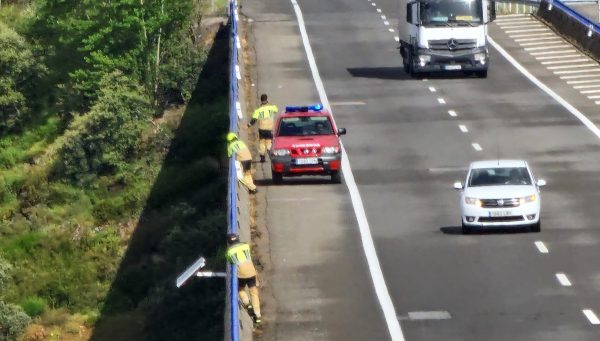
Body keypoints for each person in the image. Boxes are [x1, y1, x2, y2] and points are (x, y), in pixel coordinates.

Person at [226, 233, 262, 326]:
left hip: (241, 274)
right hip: (251, 271)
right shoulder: (246, 246)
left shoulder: (229, 252)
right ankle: (257, 316)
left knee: (240, 289)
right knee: (254, 293)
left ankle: (247, 303)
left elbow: (230, 261)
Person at [247, 94, 278, 163]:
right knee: (269, 141)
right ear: (267, 99)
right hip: (269, 128)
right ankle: (269, 150)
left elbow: (253, 120)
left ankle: (262, 157)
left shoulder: (258, 110)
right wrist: (269, 104)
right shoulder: (272, 107)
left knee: (262, 142)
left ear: (261, 100)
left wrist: (248, 125)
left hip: (262, 129)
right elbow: (276, 109)